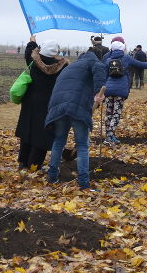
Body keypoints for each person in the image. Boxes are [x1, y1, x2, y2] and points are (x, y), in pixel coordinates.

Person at [45, 49, 107, 190]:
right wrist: (99, 92)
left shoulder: (72, 66)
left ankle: (52, 177)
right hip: (76, 106)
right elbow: (100, 69)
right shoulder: (94, 62)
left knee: (59, 141)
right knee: (83, 145)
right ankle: (84, 184)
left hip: (58, 106)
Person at [15, 35, 69, 170]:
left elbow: (28, 53)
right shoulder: (63, 67)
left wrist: (32, 42)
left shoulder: (33, 62)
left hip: (30, 102)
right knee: (42, 134)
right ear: (55, 52)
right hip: (49, 104)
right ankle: (34, 164)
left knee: (28, 130)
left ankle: (23, 162)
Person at [102, 37, 147, 145]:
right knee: (116, 114)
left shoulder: (108, 60)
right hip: (120, 90)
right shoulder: (126, 58)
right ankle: (109, 136)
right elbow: (140, 64)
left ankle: (109, 136)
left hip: (108, 90)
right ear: (123, 48)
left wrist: (102, 89)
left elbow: (104, 75)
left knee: (109, 113)